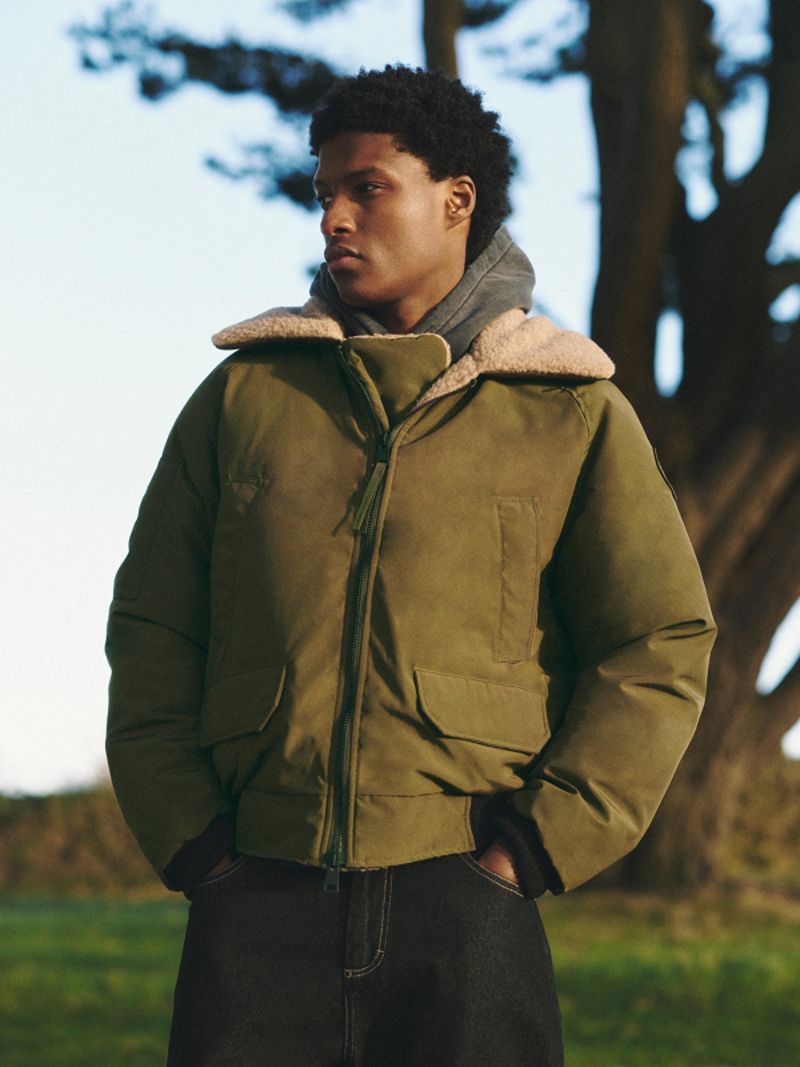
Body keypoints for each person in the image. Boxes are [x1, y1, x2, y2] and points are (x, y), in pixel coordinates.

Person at [105, 65, 716, 1066]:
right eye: (323, 194)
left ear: (456, 199)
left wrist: (532, 848)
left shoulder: (568, 410)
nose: (332, 219)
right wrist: (194, 841)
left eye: (367, 189)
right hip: (253, 898)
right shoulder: (243, 398)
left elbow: (656, 640)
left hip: (468, 903)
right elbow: (154, 623)